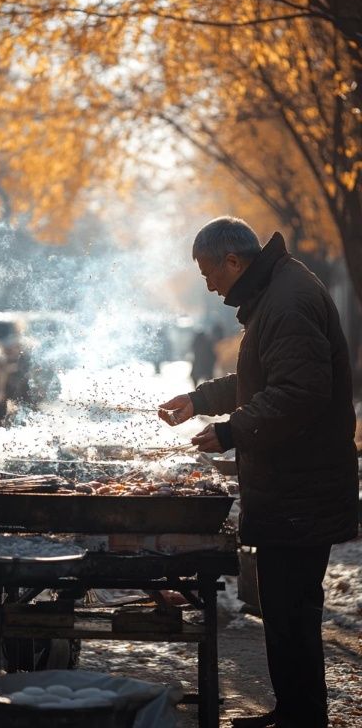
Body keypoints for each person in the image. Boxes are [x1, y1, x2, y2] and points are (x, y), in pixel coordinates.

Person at [158, 217, 359, 728]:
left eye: (209, 271)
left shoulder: (288, 301)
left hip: (303, 488)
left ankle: (303, 717)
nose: (208, 283)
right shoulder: (278, 290)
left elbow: (299, 394)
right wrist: (200, 399)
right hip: (290, 485)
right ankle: (293, 710)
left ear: (233, 260)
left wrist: (231, 431)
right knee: (285, 610)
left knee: (293, 611)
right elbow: (260, 377)